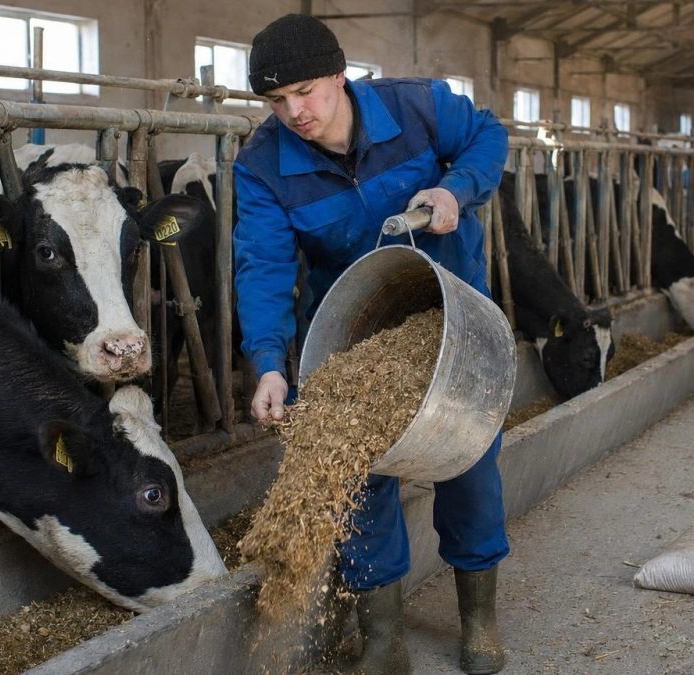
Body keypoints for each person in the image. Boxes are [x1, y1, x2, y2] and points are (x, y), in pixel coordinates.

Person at [233, 14, 510, 675]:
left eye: (305, 91)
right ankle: (383, 637)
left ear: (339, 75)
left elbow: (488, 137)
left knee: (469, 459)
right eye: (276, 100)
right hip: (358, 325)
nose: (293, 111)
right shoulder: (262, 165)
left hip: (450, 319)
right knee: (355, 473)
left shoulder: (416, 106)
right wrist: (269, 364)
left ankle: (479, 618)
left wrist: (455, 187)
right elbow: (263, 266)